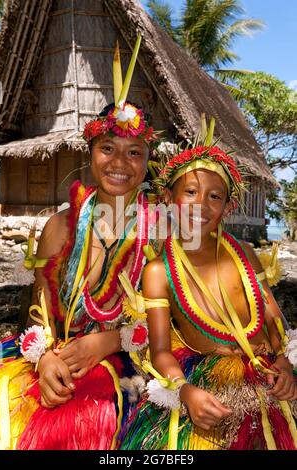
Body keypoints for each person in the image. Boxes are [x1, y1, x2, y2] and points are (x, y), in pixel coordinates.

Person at [0, 38, 159, 450]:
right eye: (108, 148)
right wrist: (45, 358)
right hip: (59, 359)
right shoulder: (60, 227)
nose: (120, 163)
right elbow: (36, 319)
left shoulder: (162, 231)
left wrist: (109, 341)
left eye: (133, 152)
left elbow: (173, 324)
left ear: (146, 162)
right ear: (91, 153)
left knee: (100, 423)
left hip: (133, 368)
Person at [120, 122, 297, 450]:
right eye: (190, 192)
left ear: (228, 207)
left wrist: (285, 361)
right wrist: (186, 391)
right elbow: (159, 351)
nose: (201, 204)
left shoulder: (244, 253)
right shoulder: (159, 270)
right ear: (168, 198)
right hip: (212, 382)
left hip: (270, 373)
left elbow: (273, 315)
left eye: (214, 196)